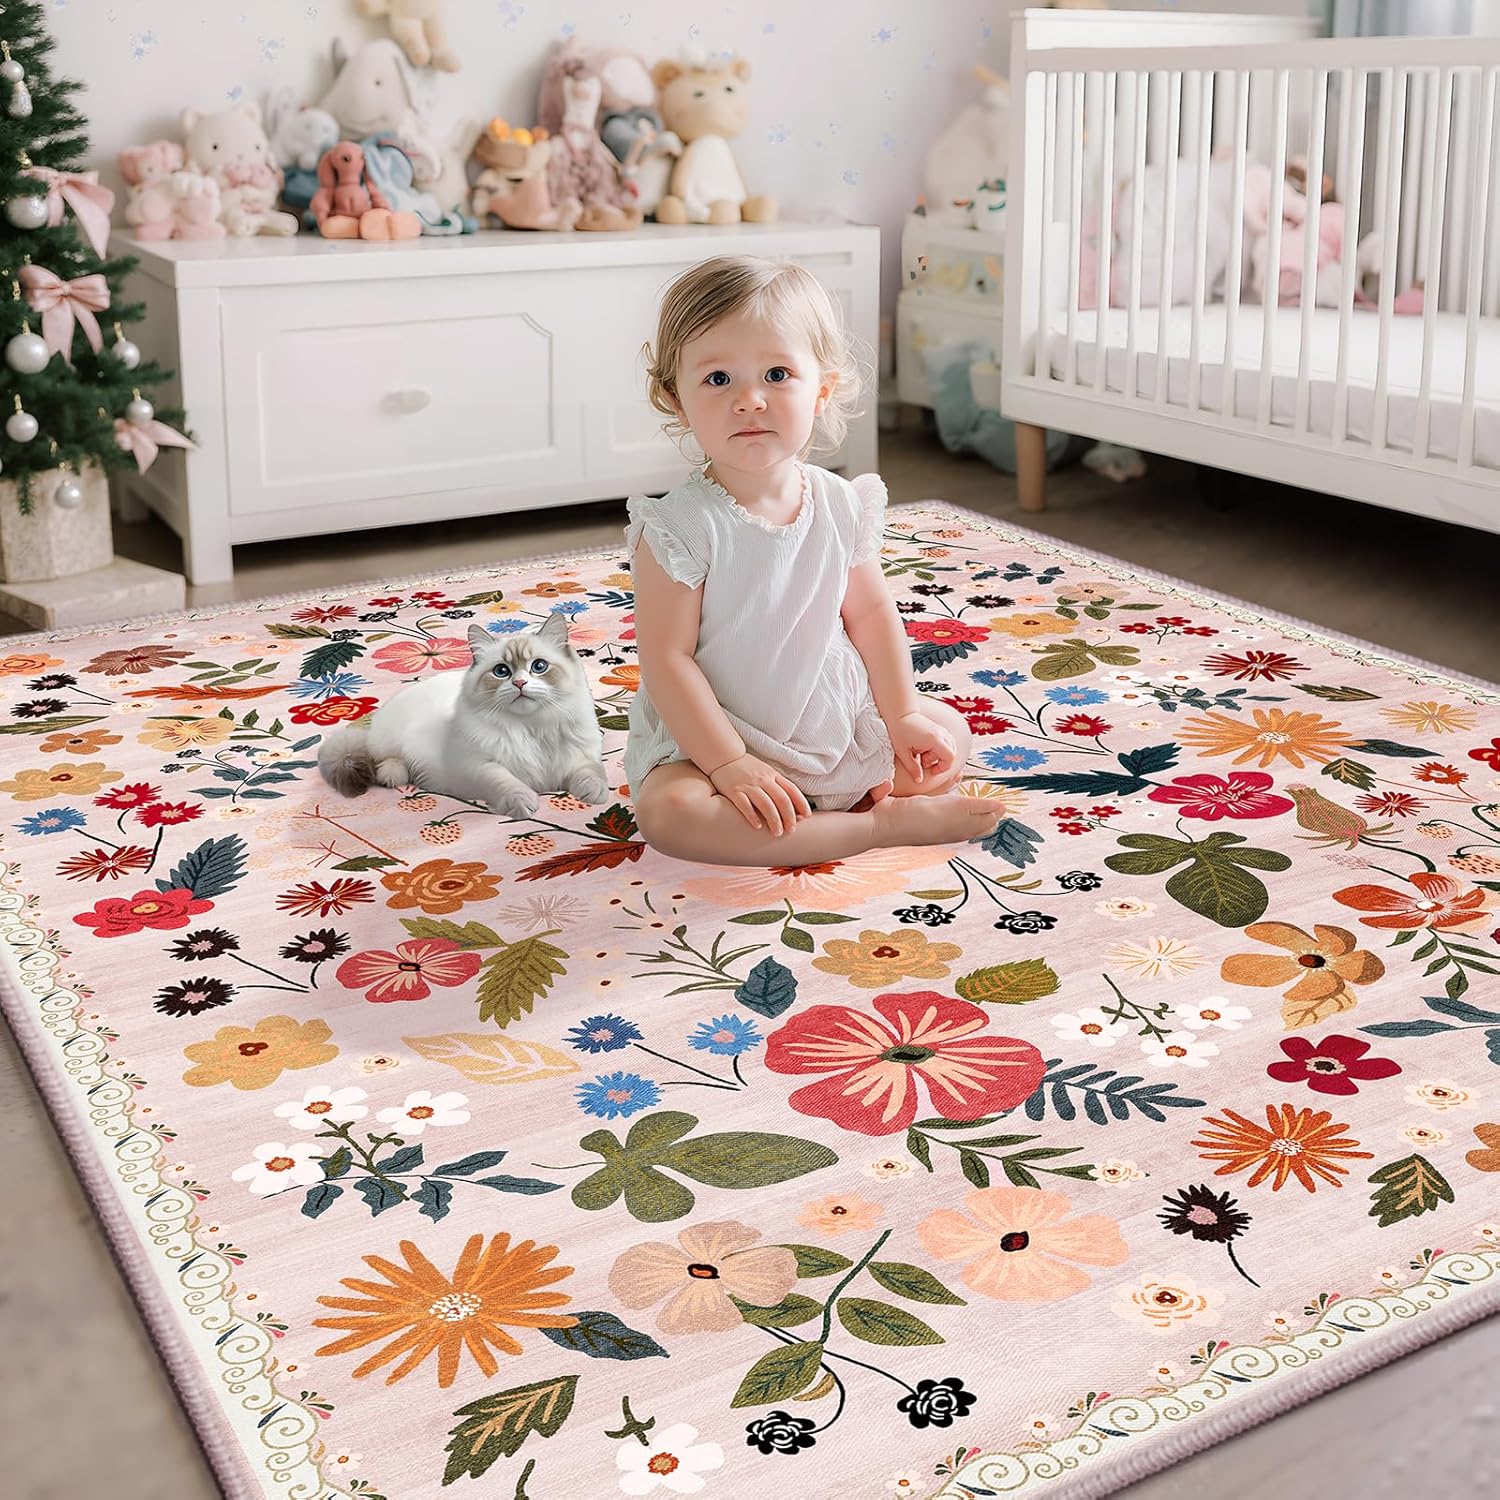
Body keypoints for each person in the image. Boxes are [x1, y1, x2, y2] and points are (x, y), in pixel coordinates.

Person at [624, 254, 1006, 866]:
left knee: (947, 732)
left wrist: (902, 715)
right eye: (718, 379)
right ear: (677, 398)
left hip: (827, 716)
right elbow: (667, 661)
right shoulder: (679, 526)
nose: (750, 400)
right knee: (670, 815)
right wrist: (729, 763)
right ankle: (874, 827)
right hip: (718, 733)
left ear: (821, 390)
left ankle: (831, 806)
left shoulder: (838, 501)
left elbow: (872, 614)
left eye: (777, 374)